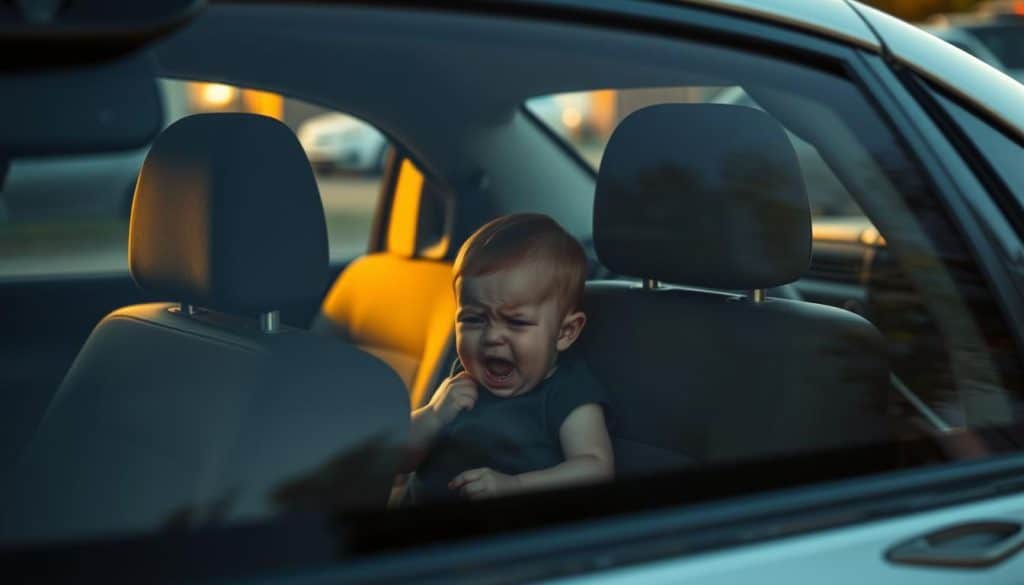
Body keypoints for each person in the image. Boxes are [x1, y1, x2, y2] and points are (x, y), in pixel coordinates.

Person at [402, 213, 614, 503]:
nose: (491, 337)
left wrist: (516, 486)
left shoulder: (567, 391)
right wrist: (433, 416)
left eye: (516, 322)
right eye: (474, 319)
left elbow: (596, 467)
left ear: (565, 332)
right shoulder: (462, 380)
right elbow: (395, 461)